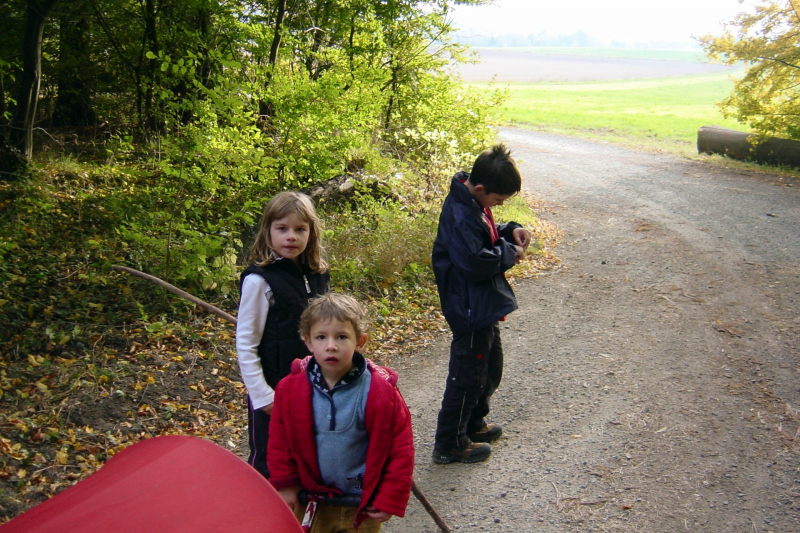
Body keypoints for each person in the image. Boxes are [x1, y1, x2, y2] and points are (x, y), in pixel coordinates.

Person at [268, 293, 414, 533]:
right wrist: (285, 484)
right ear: (308, 341)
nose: (331, 346)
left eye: (342, 337)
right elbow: (279, 442)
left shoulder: (380, 391)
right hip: (312, 501)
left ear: (360, 341)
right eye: (321, 337)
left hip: (362, 505)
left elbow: (400, 448)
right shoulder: (291, 388)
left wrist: (389, 497)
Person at [431, 144, 531, 464]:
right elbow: (474, 261)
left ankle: (473, 424)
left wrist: (510, 229)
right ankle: (450, 442)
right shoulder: (461, 215)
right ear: (480, 189)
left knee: (490, 366)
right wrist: (509, 253)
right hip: (468, 308)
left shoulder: (474, 204)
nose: (499, 205)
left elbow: (486, 234)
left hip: (482, 304)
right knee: (467, 375)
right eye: (498, 200)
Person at [236, 191, 330, 478]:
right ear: (268, 231)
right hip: (274, 389)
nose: (291, 236)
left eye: (300, 229)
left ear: (311, 233)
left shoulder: (318, 274)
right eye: (282, 228)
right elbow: (246, 343)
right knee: (272, 462)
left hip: (313, 385)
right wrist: (262, 395)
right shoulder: (259, 281)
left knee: (310, 453)